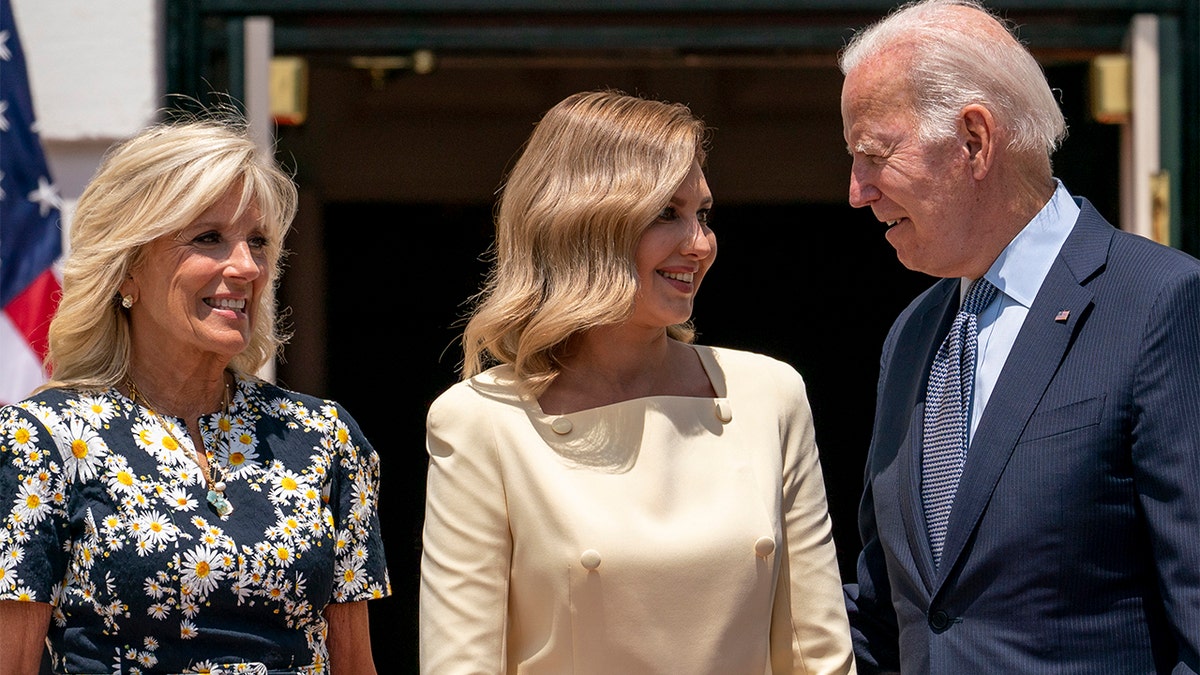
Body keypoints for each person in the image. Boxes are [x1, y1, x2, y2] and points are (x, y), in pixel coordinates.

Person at [419, 89, 856, 674]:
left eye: (703, 214)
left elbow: (820, 656)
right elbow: (461, 665)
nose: (699, 244)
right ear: (582, 223)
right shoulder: (480, 420)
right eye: (666, 214)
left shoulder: (770, 395)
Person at [838, 0, 1200, 672]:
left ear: (974, 140)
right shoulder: (912, 336)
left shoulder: (1159, 303)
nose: (858, 190)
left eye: (872, 154)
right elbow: (889, 615)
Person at [0, 111, 391, 674]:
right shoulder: (43, 441)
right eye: (209, 238)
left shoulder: (324, 439)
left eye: (258, 242)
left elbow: (355, 664)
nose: (246, 266)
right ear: (127, 270)